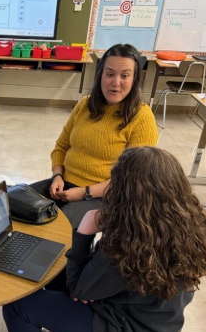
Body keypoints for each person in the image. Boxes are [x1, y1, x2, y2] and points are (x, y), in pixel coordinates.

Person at [3, 146, 206, 332]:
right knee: (50, 277)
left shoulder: (130, 242)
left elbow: (79, 289)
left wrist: (86, 231)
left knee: (18, 306)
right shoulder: (184, 221)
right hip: (154, 318)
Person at [29, 43, 159, 228]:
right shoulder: (85, 104)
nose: (116, 82)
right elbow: (61, 147)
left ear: (135, 79)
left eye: (124, 76)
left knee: (56, 228)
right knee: (13, 202)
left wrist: (84, 193)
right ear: (100, 75)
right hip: (63, 183)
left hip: (102, 196)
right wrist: (57, 176)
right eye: (109, 74)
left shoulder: (142, 117)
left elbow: (131, 179)